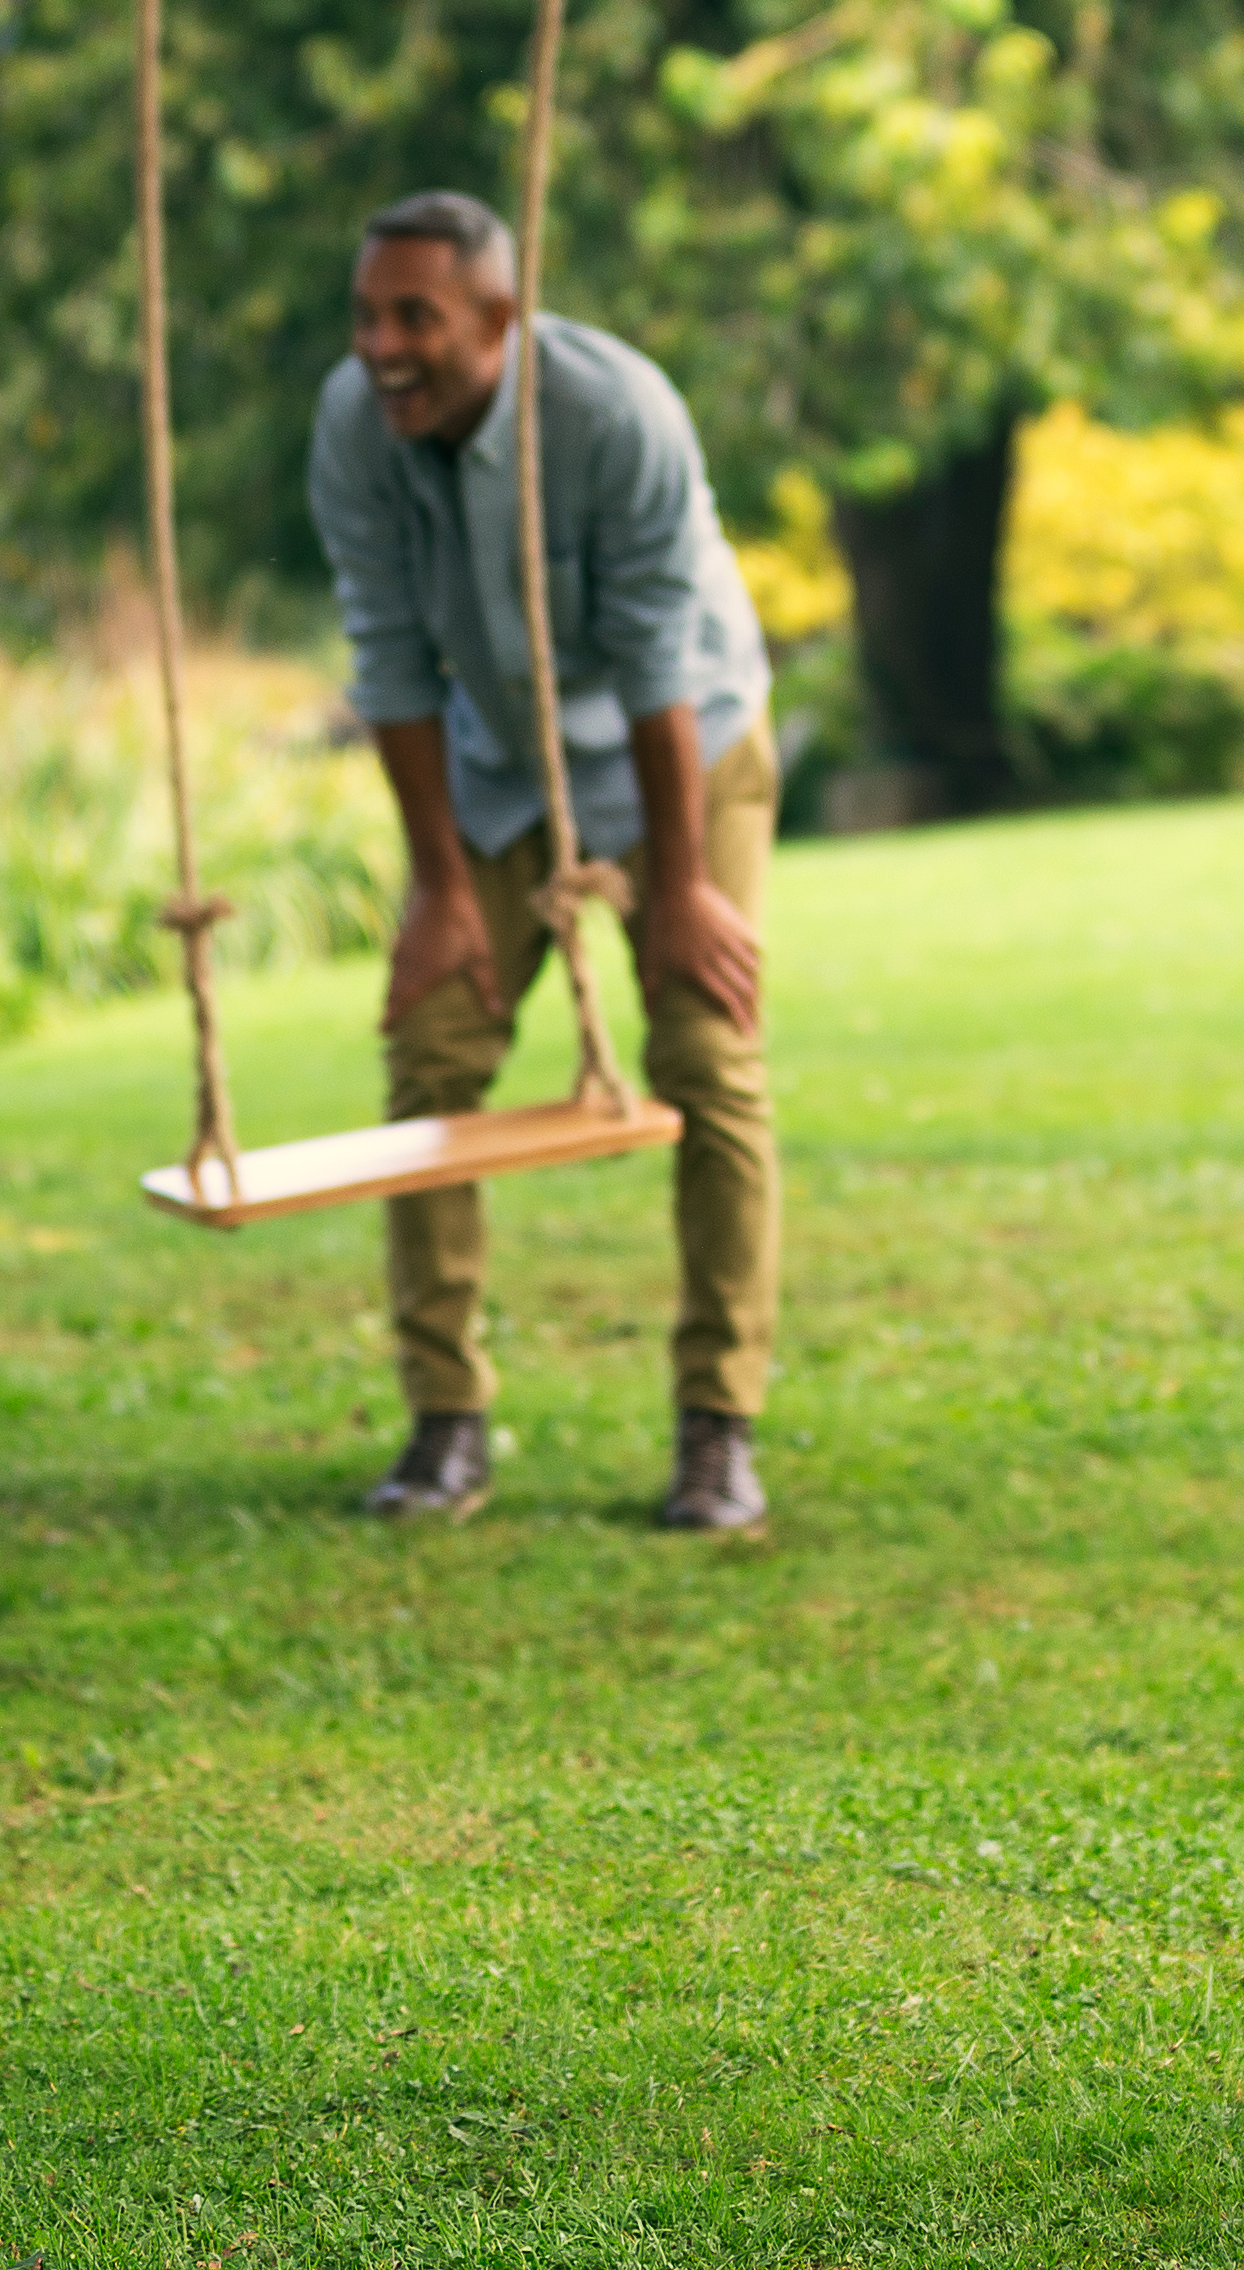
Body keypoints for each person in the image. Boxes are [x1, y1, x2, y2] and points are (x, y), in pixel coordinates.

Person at [310, 191, 782, 1533]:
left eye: (418, 318)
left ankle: (716, 1432)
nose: (383, 348)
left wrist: (680, 887)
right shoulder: (354, 425)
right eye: (366, 317)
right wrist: (441, 891)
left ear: (500, 319)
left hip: (683, 750)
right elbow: (389, 659)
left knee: (707, 1052)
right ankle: (446, 1422)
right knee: (435, 1052)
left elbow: (660, 661)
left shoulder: (615, 412)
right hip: (502, 766)